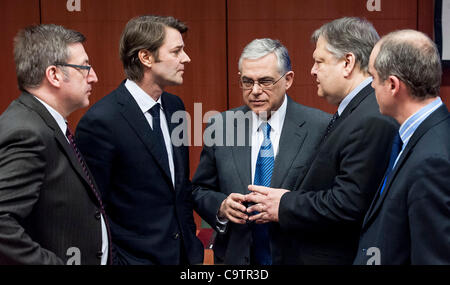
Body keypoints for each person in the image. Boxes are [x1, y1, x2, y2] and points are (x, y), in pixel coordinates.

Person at [246, 17, 398, 264]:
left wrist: (284, 203)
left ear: (348, 63)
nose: (313, 70)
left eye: (319, 61)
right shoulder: (353, 111)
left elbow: (348, 204)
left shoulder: (370, 117)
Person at [75, 15, 203, 265]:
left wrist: (193, 250)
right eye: (177, 51)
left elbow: (179, 189)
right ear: (146, 58)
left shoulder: (175, 107)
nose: (186, 58)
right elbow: (90, 212)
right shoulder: (101, 121)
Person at [192, 38, 330, 265]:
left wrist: (288, 205)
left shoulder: (320, 127)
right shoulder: (222, 125)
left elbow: (330, 198)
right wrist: (221, 206)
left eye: (265, 81)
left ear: (288, 80)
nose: (255, 91)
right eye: (247, 82)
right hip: (235, 260)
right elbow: (199, 189)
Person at [0, 24, 110, 265]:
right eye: (84, 67)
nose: (94, 76)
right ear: (54, 75)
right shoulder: (26, 131)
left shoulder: (43, 122)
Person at [353, 30, 450, 265]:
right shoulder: (420, 135)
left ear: (393, 85)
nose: (372, 86)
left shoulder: (432, 161)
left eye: (374, 78)